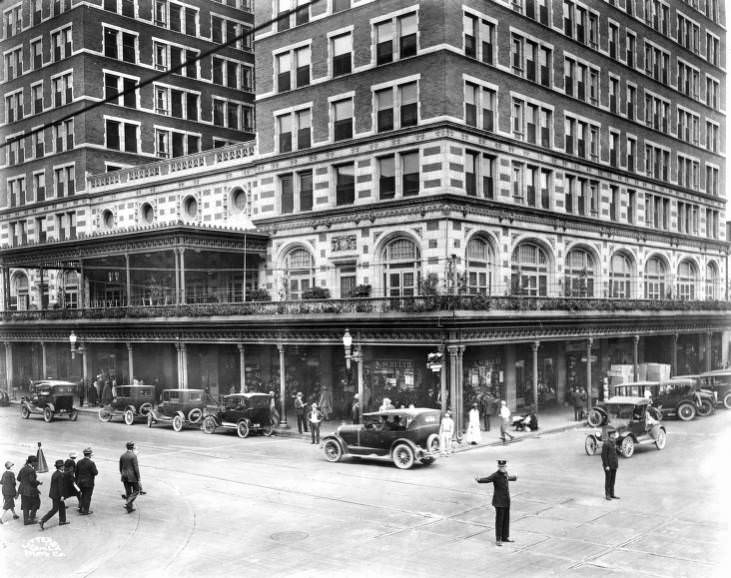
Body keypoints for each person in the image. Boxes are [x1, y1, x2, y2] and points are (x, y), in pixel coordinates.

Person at [475, 459, 518, 547]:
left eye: (503, 466)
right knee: (499, 520)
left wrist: (514, 478)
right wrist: (479, 480)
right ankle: (498, 539)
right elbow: (487, 479)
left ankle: (505, 537)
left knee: (506, 519)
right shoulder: (495, 475)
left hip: (506, 501)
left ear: (505, 466)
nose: (502, 468)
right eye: (500, 467)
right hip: (499, 502)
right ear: (498, 467)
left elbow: (507, 478)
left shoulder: (505, 473)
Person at [39, 460, 69, 530]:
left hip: (53, 493)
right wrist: (62, 496)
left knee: (62, 507)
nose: (64, 467)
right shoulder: (60, 475)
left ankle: (62, 521)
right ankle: (42, 520)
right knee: (55, 509)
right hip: (57, 495)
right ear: (61, 467)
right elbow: (60, 486)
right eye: (63, 466)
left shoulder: (56, 473)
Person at [17, 455, 42, 525]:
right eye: (36, 462)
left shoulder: (23, 468)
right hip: (31, 490)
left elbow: (18, 478)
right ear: (32, 462)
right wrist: (39, 482)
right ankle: (31, 517)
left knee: (25, 505)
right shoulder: (31, 470)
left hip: (22, 490)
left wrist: (25, 481)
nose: (37, 464)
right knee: (37, 502)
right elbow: (32, 481)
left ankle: (26, 520)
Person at [119, 441, 141, 513]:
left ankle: (129, 508)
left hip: (124, 476)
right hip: (132, 476)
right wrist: (138, 478)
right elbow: (136, 468)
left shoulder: (122, 455)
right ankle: (128, 502)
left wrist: (123, 474)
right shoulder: (133, 456)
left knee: (128, 492)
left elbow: (120, 467)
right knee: (137, 490)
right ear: (133, 447)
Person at [75, 447, 98, 515]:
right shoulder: (91, 463)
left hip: (80, 482)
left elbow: (76, 473)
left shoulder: (79, 462)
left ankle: (81, 508)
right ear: (89, 454)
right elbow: (95, 472)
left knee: (82, 495)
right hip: (88, 483)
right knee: (87, 496)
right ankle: (85, 510)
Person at [601, 429, 619, 500]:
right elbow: (603, 456)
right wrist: (607, 465)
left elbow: (614, 453)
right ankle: (607, 495)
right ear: (610, 435)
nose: (614, 435)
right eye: (613, 434)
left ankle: (612, 494)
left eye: (614, 434)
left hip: (614, 464)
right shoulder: (606, 443)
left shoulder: (614, 442)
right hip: (608, 465)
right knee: (608, 480)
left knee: (613, 480)